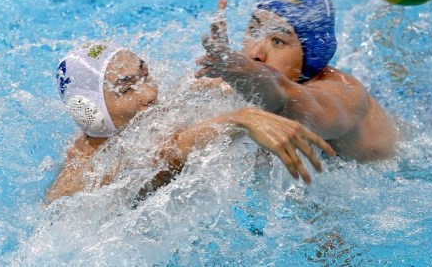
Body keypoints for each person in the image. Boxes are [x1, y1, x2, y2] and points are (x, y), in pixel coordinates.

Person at [46, 41, 334, 203]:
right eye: (127, 88)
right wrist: (240, 119)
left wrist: (240, 72)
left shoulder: (138, 120)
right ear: (90, 110)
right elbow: (165, 152)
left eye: (145, 75)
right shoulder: (85, 176)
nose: (150, 93)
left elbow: (200, 87)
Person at [195, 0, 398, 162]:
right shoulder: (231, 71)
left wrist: (239, 70)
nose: (256, 53)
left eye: (278, 41)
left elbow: (283, 98)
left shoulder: (344, 97)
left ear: (311, 55)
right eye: (254, 31)